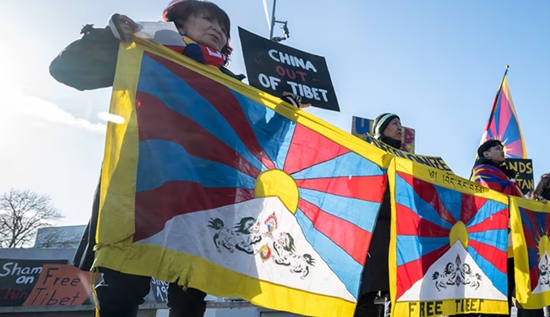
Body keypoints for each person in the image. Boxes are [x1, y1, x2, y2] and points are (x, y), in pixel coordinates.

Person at [49, 1, 307, 316]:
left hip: (201, 198)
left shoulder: (233, 85)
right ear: (179, 26)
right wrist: (110, 36)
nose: (218, 29)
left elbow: (253, 148)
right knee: (122, 287)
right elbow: (66, 70)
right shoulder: (147, 53)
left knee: (189, 295)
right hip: (141, 188)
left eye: (224, 28)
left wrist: (283, 113)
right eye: (207, 19)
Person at [471, 139, 542, 317]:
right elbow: (494, 193)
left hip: (512, 239)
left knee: (515, 289)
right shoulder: (481, 172)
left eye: (502, 148)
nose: (502, 151)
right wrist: (513, 185)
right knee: (498, 292)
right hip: (495, 238)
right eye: (497, 149)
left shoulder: (503, 174)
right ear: (486, 154)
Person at [354, 113, 402, 317]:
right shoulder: (370, 154)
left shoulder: (405, 160)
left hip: (398, 234)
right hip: (374, 233)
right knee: (369, 292)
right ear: (381, 129)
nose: (400, 128)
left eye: (401, 124)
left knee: (398, 293)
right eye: (394, 124)